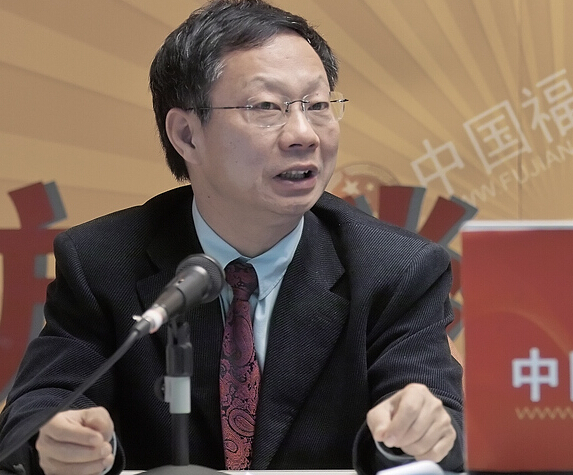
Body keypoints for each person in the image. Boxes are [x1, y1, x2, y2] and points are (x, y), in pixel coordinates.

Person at [0, 1, 464, 474]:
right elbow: (36, 413)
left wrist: (414, 434)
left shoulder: (395, 270)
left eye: (318, 106)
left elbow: (445, 424)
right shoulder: (103, 262)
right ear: (187, 134)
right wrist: (57, 440)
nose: (304, 134)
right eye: (266, 107)